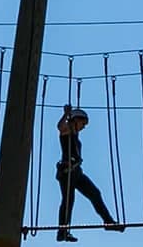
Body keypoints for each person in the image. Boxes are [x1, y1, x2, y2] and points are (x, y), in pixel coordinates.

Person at [55, 104, 124, 242]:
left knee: (95, 193)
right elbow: (60, 127)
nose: (84, 126)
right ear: (75, 120)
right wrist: (66, 114)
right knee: (68, 201)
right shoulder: (67, 130)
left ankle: (108, 222)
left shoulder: (75, 135)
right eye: (83, 123)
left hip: (76, 172)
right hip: (67, 172)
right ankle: (62, 231)